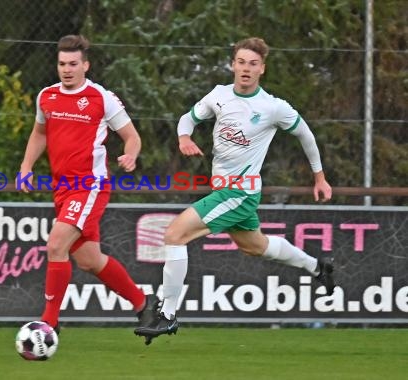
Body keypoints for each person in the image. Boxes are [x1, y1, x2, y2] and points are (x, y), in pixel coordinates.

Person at [134, 37, 335, 342]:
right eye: (241, 62)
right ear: (232, 65)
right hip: (226, 191)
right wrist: (184, 138)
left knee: (175, 234)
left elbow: (305, 134)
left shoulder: (273, 107)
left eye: (252, 64)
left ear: (261, 69)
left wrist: (319, 177)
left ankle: (168, 315)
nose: (245, 68)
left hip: (239, 193)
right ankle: (318, 267)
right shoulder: (219, 96)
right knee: (256, 246)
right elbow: (188, 118)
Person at [19, 34, 160, 336]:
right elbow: (40, 134)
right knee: (89, 260)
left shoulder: (101, 97)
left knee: (56, 245)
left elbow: (132, 136)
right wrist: (26, 166)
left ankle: (49, 323)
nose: (66, 69)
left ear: (86, 65)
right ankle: (144, 304)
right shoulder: (47, 96)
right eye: (61, 64)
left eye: (73, 64)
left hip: (89, 185)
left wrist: (131, 155)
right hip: (62, 187)